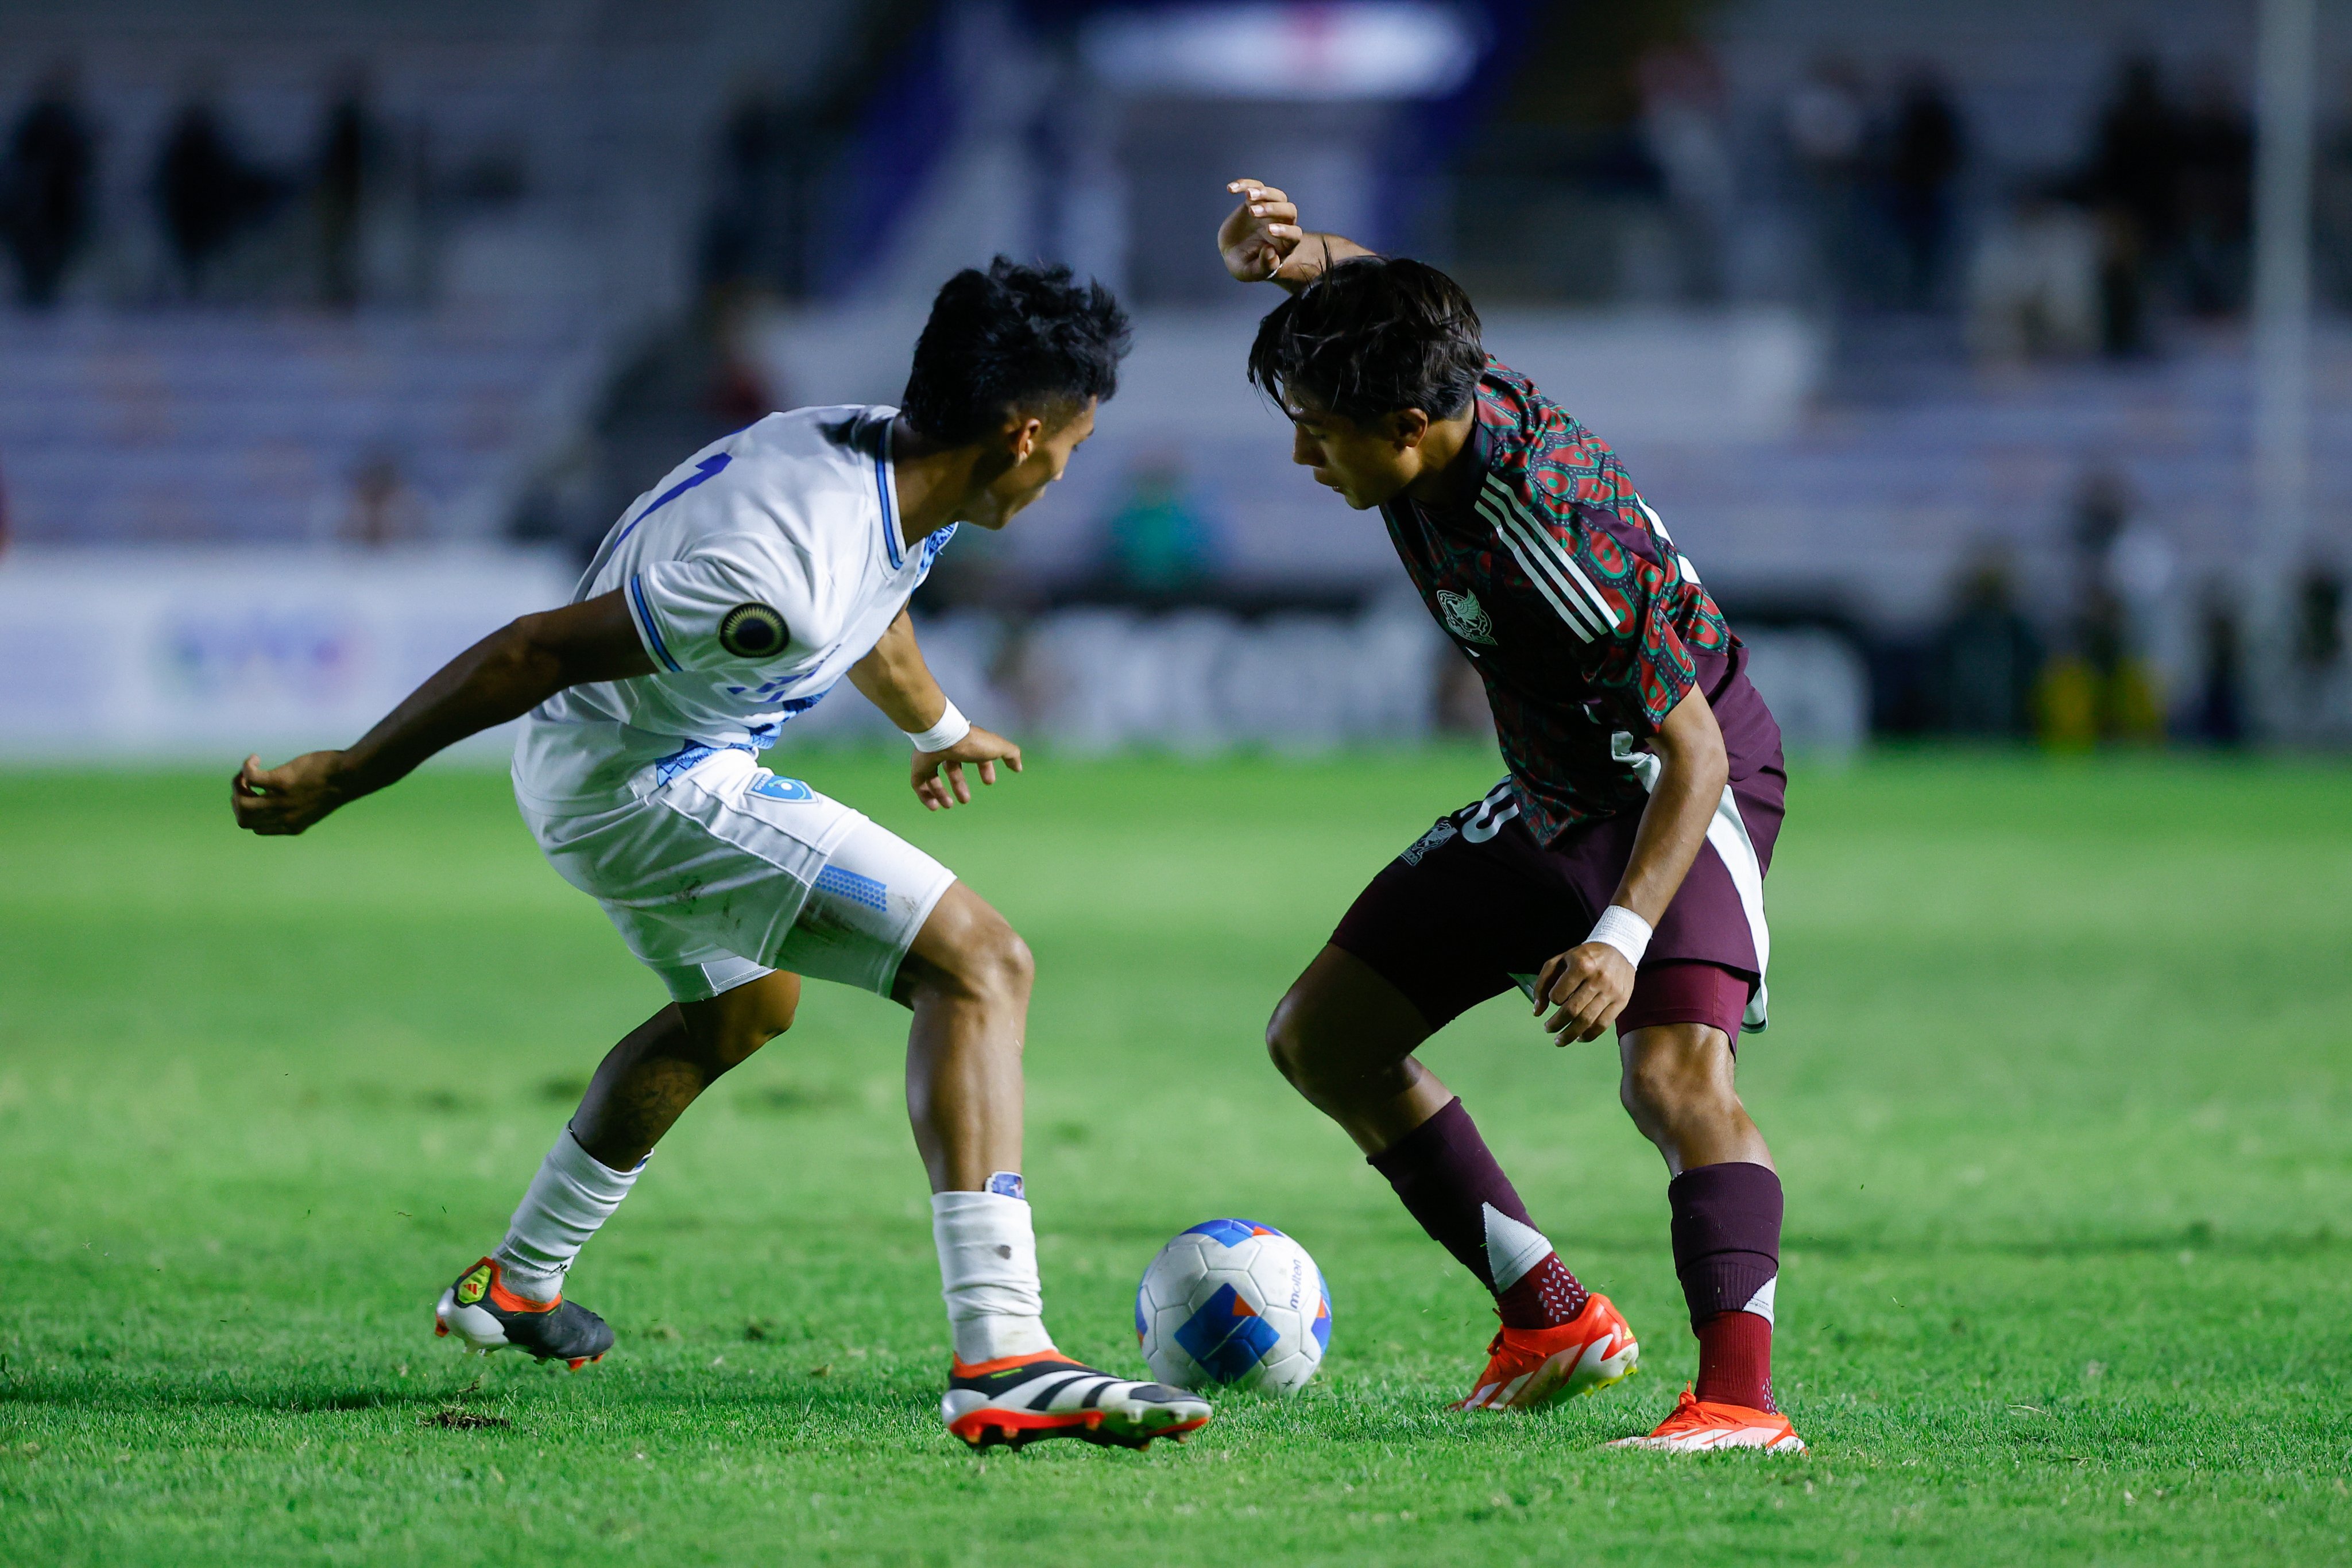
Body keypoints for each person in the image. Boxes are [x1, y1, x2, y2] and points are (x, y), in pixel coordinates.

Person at [229, 258, 1210, 1454]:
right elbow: (533, 651)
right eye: (1070, 442)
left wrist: (935, 727)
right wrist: (348, 774)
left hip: (640, 761)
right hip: (638, 785)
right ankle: (1001, 1350)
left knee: (742, 1012)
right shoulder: (778, 574)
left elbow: (878, 597)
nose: (1066, 469)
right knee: (980, 963)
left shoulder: (870, 455)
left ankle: (517, 1285)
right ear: (1018, 434)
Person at [1217, 181, 1801, 1453]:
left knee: (1670, 1078)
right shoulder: (1428, 379)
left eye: (1318, 432)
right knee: (1324, 1034)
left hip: (1672, 788)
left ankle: (1741, 1407)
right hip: (1555, 785)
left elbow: (1688, 750)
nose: (1303, 454)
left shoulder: (1544, 540)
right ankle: (1549, 1319)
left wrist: (1618, 940)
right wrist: (1298, 258)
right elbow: (1391, 307)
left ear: (1411, 427)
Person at [0, 63, 95, 309]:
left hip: (61, 204)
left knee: (54, 257)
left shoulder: (71, 123)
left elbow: (81, 165)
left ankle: (44, 293)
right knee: (36, 258)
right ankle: (37, 293)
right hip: (36, 205)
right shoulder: (36, 122)